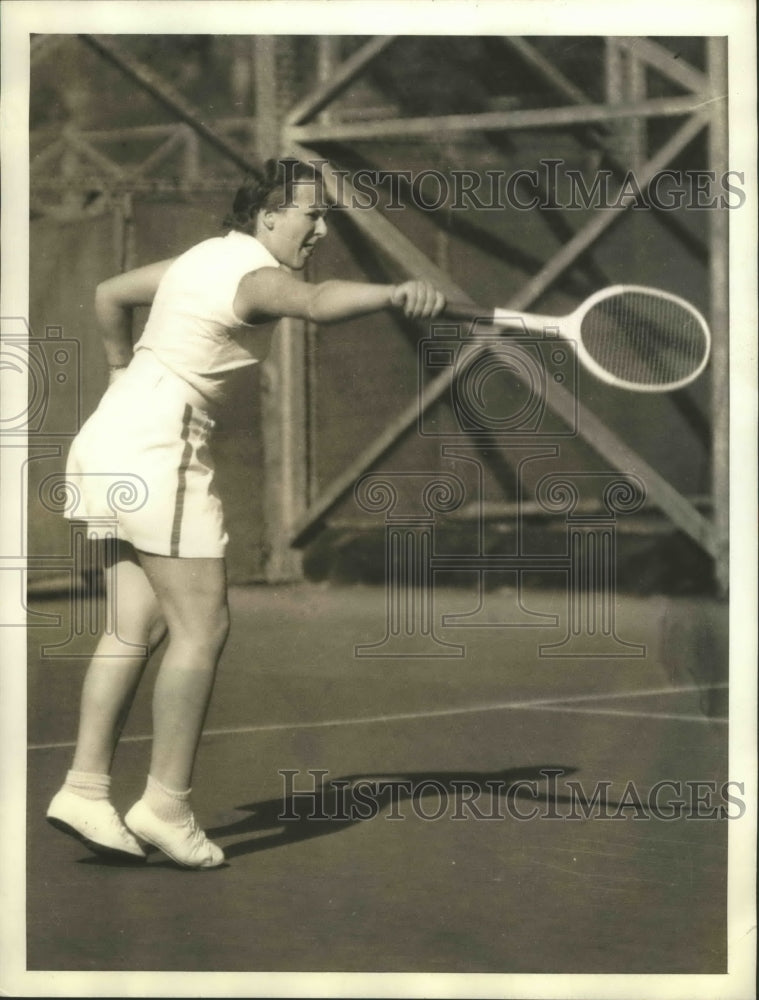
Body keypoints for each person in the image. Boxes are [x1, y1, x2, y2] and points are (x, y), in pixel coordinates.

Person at [46, 158, 446, 869]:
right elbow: (318, 301)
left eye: (322, 217)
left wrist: (117, 370)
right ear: (266, 217)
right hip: (156, 449)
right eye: (309, 216)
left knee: (135, 624)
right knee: (203, 627)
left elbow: (110, 293)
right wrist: (395, 292)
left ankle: (83, 788)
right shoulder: (256, 277)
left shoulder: (198, 258)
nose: (319, 229)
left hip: (110, 433)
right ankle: (165, 806)